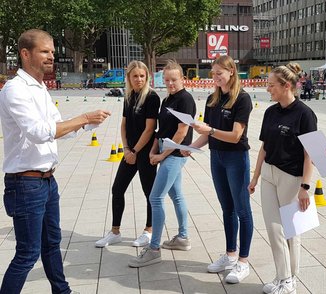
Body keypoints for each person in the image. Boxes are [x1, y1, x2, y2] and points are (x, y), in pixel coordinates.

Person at [0, 29, 111, 294]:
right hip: (25, 184)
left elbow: (59, 128)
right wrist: (84, 117)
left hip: (47, 182)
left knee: (52, 244)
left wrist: (88, 124)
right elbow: (39, 132)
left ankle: (63, 291)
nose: (51, 56)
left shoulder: (39, 89)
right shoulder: (15, 90)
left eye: (52, 51)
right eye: (45, 51)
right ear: (26, 54)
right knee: (27, 254)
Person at [184, 55, 254, 284]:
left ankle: (243, 262)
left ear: (231, 72)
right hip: (217, 158)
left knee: (242, 210)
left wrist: (210, 130)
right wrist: (190, 147)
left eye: (219, 74)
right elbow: (206, 133)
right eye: (212, 74)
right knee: (227, 209)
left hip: (236, 158)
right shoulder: (213, 99)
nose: (215, 78)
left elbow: (235, 136)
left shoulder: (242, 99)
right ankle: (230, 255)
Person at [248, 63, 317, 294]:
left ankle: (289, 280)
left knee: (290, 230)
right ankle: (283, 277)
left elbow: (311, 153)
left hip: (292, 177)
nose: (268, 89)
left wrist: (305, 186)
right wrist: (255, 177)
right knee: (273, 228)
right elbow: (264, 148)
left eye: (271, 85)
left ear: (287, 86)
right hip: (269, 174)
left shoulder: (305, 114)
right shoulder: (270, 112)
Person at [128, 60, 196, 268]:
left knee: (155, 198)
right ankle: (183, 238)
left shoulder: (185, 100)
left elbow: (181, 132)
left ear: (182, 78)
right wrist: (152, 149)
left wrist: (162, 156)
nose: (170, 83)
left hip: (175, 155)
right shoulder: (168, 99)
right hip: (166, 152)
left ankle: (154, 248)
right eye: (166, 80)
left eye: (174, 80)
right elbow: (161, 130)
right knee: (176, 195)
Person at [95, 60, 160, 248]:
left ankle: (149, 230)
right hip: (130, 151)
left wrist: (135, 151)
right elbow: (123, 125)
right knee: (117, 189)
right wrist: (126, 149)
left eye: (142, 76)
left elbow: (149, 130)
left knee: (150, 193)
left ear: (147, 77)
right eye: (135, 76)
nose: (139, 79)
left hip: (145, 152)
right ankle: (115, 232)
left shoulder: (152, 97)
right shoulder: (129, 96)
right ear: (129, 78)